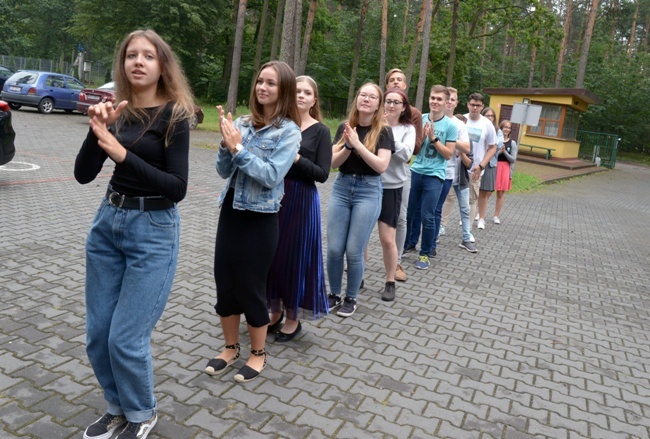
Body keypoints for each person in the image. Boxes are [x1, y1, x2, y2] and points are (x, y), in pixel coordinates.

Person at [74, 29, 195, 439]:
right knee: (98, 335)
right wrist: (98, 134)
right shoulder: (117, 111)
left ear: (162, 65)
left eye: (148, 55)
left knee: (125, 338)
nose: (138, 61)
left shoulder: (175, 115)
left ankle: (142, 412)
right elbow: (82, 175)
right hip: (108, 223)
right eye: (131, 55)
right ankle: (116, 408)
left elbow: (177, 187)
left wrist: (122, 154)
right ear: (123, 64)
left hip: (154, 230)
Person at [205, 61, 301, 382]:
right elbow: (223, 171)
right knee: (225, 282)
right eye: (260, 81)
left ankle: (258, 354)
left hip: (260, 220)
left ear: (283, 89)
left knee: (250, 286)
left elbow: (271, 176)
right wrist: (224, 144)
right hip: (231, 212)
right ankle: (230, 348)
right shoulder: (243, 123)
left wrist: (238, 148)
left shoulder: (289, 132)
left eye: (271, 83)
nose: (262, 87)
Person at [266, 75, 331, 341]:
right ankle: (274, 311)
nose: (301, 95)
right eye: (297, 91)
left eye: (307, 92)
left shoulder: (321, 131)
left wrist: (295, 158)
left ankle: (293, 319)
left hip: (302, 199)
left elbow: (323, 173)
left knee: (295, 256)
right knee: (273, 254)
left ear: (314, 100)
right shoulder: (280, 124)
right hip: (273, 197)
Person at [327, 83, 394, 318]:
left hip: (368, 191)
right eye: (363, 95)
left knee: (354, 250)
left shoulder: (384, 131)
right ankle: (334, 294)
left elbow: (381, 166)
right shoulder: (344, 127)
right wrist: (347, 144)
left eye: (372, 96)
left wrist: (357, 145)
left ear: (378, 104)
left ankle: (351, 297)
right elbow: (333, 164)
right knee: (335, 248)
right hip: (342, 187)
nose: (366, 99)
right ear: (357, 99)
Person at [404, 85, 456, 270]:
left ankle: (425, 254)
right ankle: (408, 244)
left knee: (428, 215)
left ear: (446, 102)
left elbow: (448, 154)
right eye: (433, 98)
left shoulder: (450, 125)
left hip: (435, 176)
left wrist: (433, 138)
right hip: (416, 171)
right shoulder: (420, 119)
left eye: (439, 99)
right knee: (410, 213)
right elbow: (413, 148)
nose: (435, 101)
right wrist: (422, 137)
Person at [384, 68, 423, 282]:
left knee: (400, 217)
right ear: (387, 85)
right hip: (373, 177)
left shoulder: (412, 116)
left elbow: (412, 150)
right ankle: (357, 258)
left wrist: (389, 136)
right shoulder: (375, 113)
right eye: (392, 80)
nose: (396, 83)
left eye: (400, 80)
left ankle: (396, 261)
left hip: (400, 176)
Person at [377, 88, 415, 301]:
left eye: (396, 103)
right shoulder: (374, 122)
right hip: (370, 184)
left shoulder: (407, 129)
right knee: (362, 234)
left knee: (387, 238)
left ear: (403, 108)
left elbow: (406, 155)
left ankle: (390, 279)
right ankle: (357, 275)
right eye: (388, 101)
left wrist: (388, 130)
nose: (391, 106)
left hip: (393, 186)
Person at [435, 87, 472, 251]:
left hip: (459, 175)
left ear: (456, 103)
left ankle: (466, 237)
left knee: (465, 208)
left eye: (452, 99)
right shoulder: (436, 120)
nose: (449, 102)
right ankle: (433, 237)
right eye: (447, 99)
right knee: (437, 208)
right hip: (440, 173)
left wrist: (452, 140)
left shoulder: (459, 124)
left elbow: (467, 148)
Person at [464, 93, 496, 234]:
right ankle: (442, 226)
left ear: (482, 106)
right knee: (449, 198)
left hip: (475, 169)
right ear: (468, 104)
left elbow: (492, 147)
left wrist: (482, 165)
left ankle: (467, 232)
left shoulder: (487, 125)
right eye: (472, 105)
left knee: (471, 200)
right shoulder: (461, 120)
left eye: (478, 105)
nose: (475, 108)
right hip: (456, 167)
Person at [476, 106, 503, 229]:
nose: (490, 118)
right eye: (487, 116)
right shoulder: (478, 126)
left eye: (492, 116)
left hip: (490, 164)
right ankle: (469, 215)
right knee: (472, 190)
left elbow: (497, 145)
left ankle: (481, 217)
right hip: (476, 162)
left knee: (485, 191)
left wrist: (487, 146)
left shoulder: (497, 130)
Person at [493, 119, 518, 223]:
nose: (507, 129)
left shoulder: (512, 143)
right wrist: (499, 151)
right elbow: (492, 155)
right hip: (494, 166)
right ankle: (480, 213)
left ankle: (496, 216)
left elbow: (513, 159)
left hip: (505, 168)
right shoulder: (495, 140)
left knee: (500, 194)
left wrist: (504, 152)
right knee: (487, 191)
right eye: (505, 127)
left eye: (509, 128)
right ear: (501, 128)